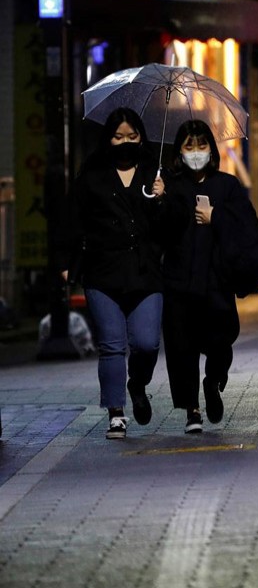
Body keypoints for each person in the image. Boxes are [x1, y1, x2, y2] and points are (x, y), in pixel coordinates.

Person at [62, 107, 171, 439]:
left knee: (147, 343)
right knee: (111, 345)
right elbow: (72, 222)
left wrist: (162, 199)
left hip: (145, 273)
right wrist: (67, 264)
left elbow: (169, 229)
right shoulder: (92, 176)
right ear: (107, 138)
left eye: (132, 136)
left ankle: (137, 384)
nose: (125, 142)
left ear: (141, 137)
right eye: (118, 136)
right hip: (103, 272)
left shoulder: (155, 173)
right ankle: (115, 412)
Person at [162, 119, 258, 434]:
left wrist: (215, 216)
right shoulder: (170, 184)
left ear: (212, 149)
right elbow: (160, 232)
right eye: (189, 146)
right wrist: (161, 198)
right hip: (179, 281)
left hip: (216, 281)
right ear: (179, 151)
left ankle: (214, 380)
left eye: (202, 145)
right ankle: (192, 410)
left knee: (222, 338)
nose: (196, 152)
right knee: (183, 347)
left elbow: (247, 225)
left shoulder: (227, 185)